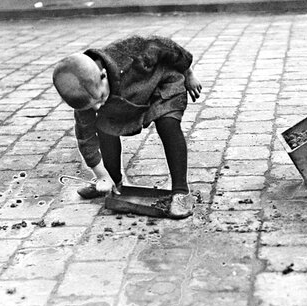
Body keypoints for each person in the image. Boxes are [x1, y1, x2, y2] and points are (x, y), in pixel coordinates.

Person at [52, 35, 202, 218]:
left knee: (167, 123)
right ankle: (112, 180)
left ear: (104, 76)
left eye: (99, 99)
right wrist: (101, 175)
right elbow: (86, 138)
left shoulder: (130, 52)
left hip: (161, 85)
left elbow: (166, 47)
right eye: (90, 106)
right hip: (127, 99)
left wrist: (188, 72)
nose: (96, 107)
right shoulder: (86, 95)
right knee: (104, 125)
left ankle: (181, 191)